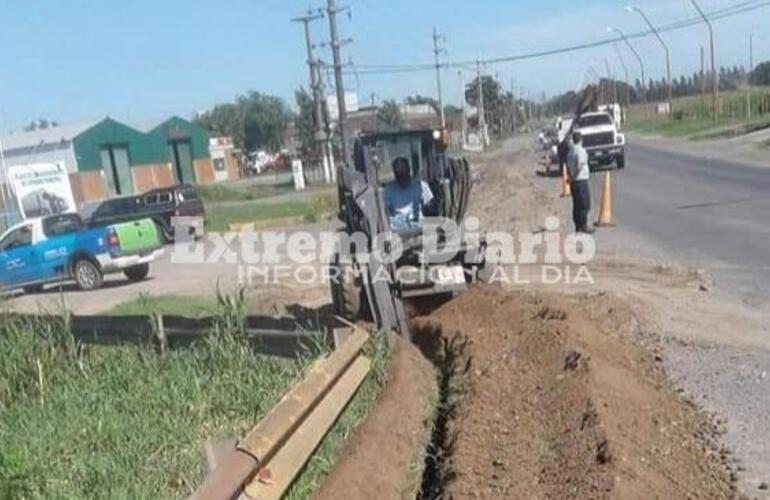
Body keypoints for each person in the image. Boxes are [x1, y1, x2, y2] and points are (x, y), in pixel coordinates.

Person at [383, 157, 434, 231]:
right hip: (397, 229)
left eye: (403, 173)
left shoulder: (421, 186)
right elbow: (385, 211)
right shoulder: (389, 190)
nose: (401, 176)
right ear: (395, 173)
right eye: (398, 173)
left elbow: (430, 207)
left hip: (418, 226)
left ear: (409, 170)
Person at [566, 131, 595, 234]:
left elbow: (568, 166)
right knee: (584, 204)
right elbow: (580, 164)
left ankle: (577, 225)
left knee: (576, 204)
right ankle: (584, 225)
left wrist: (570, 177)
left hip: (573, 182)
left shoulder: (570, 152)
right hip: (580, 180)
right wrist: (575, 175)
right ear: (581, 139)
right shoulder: (581, 151)